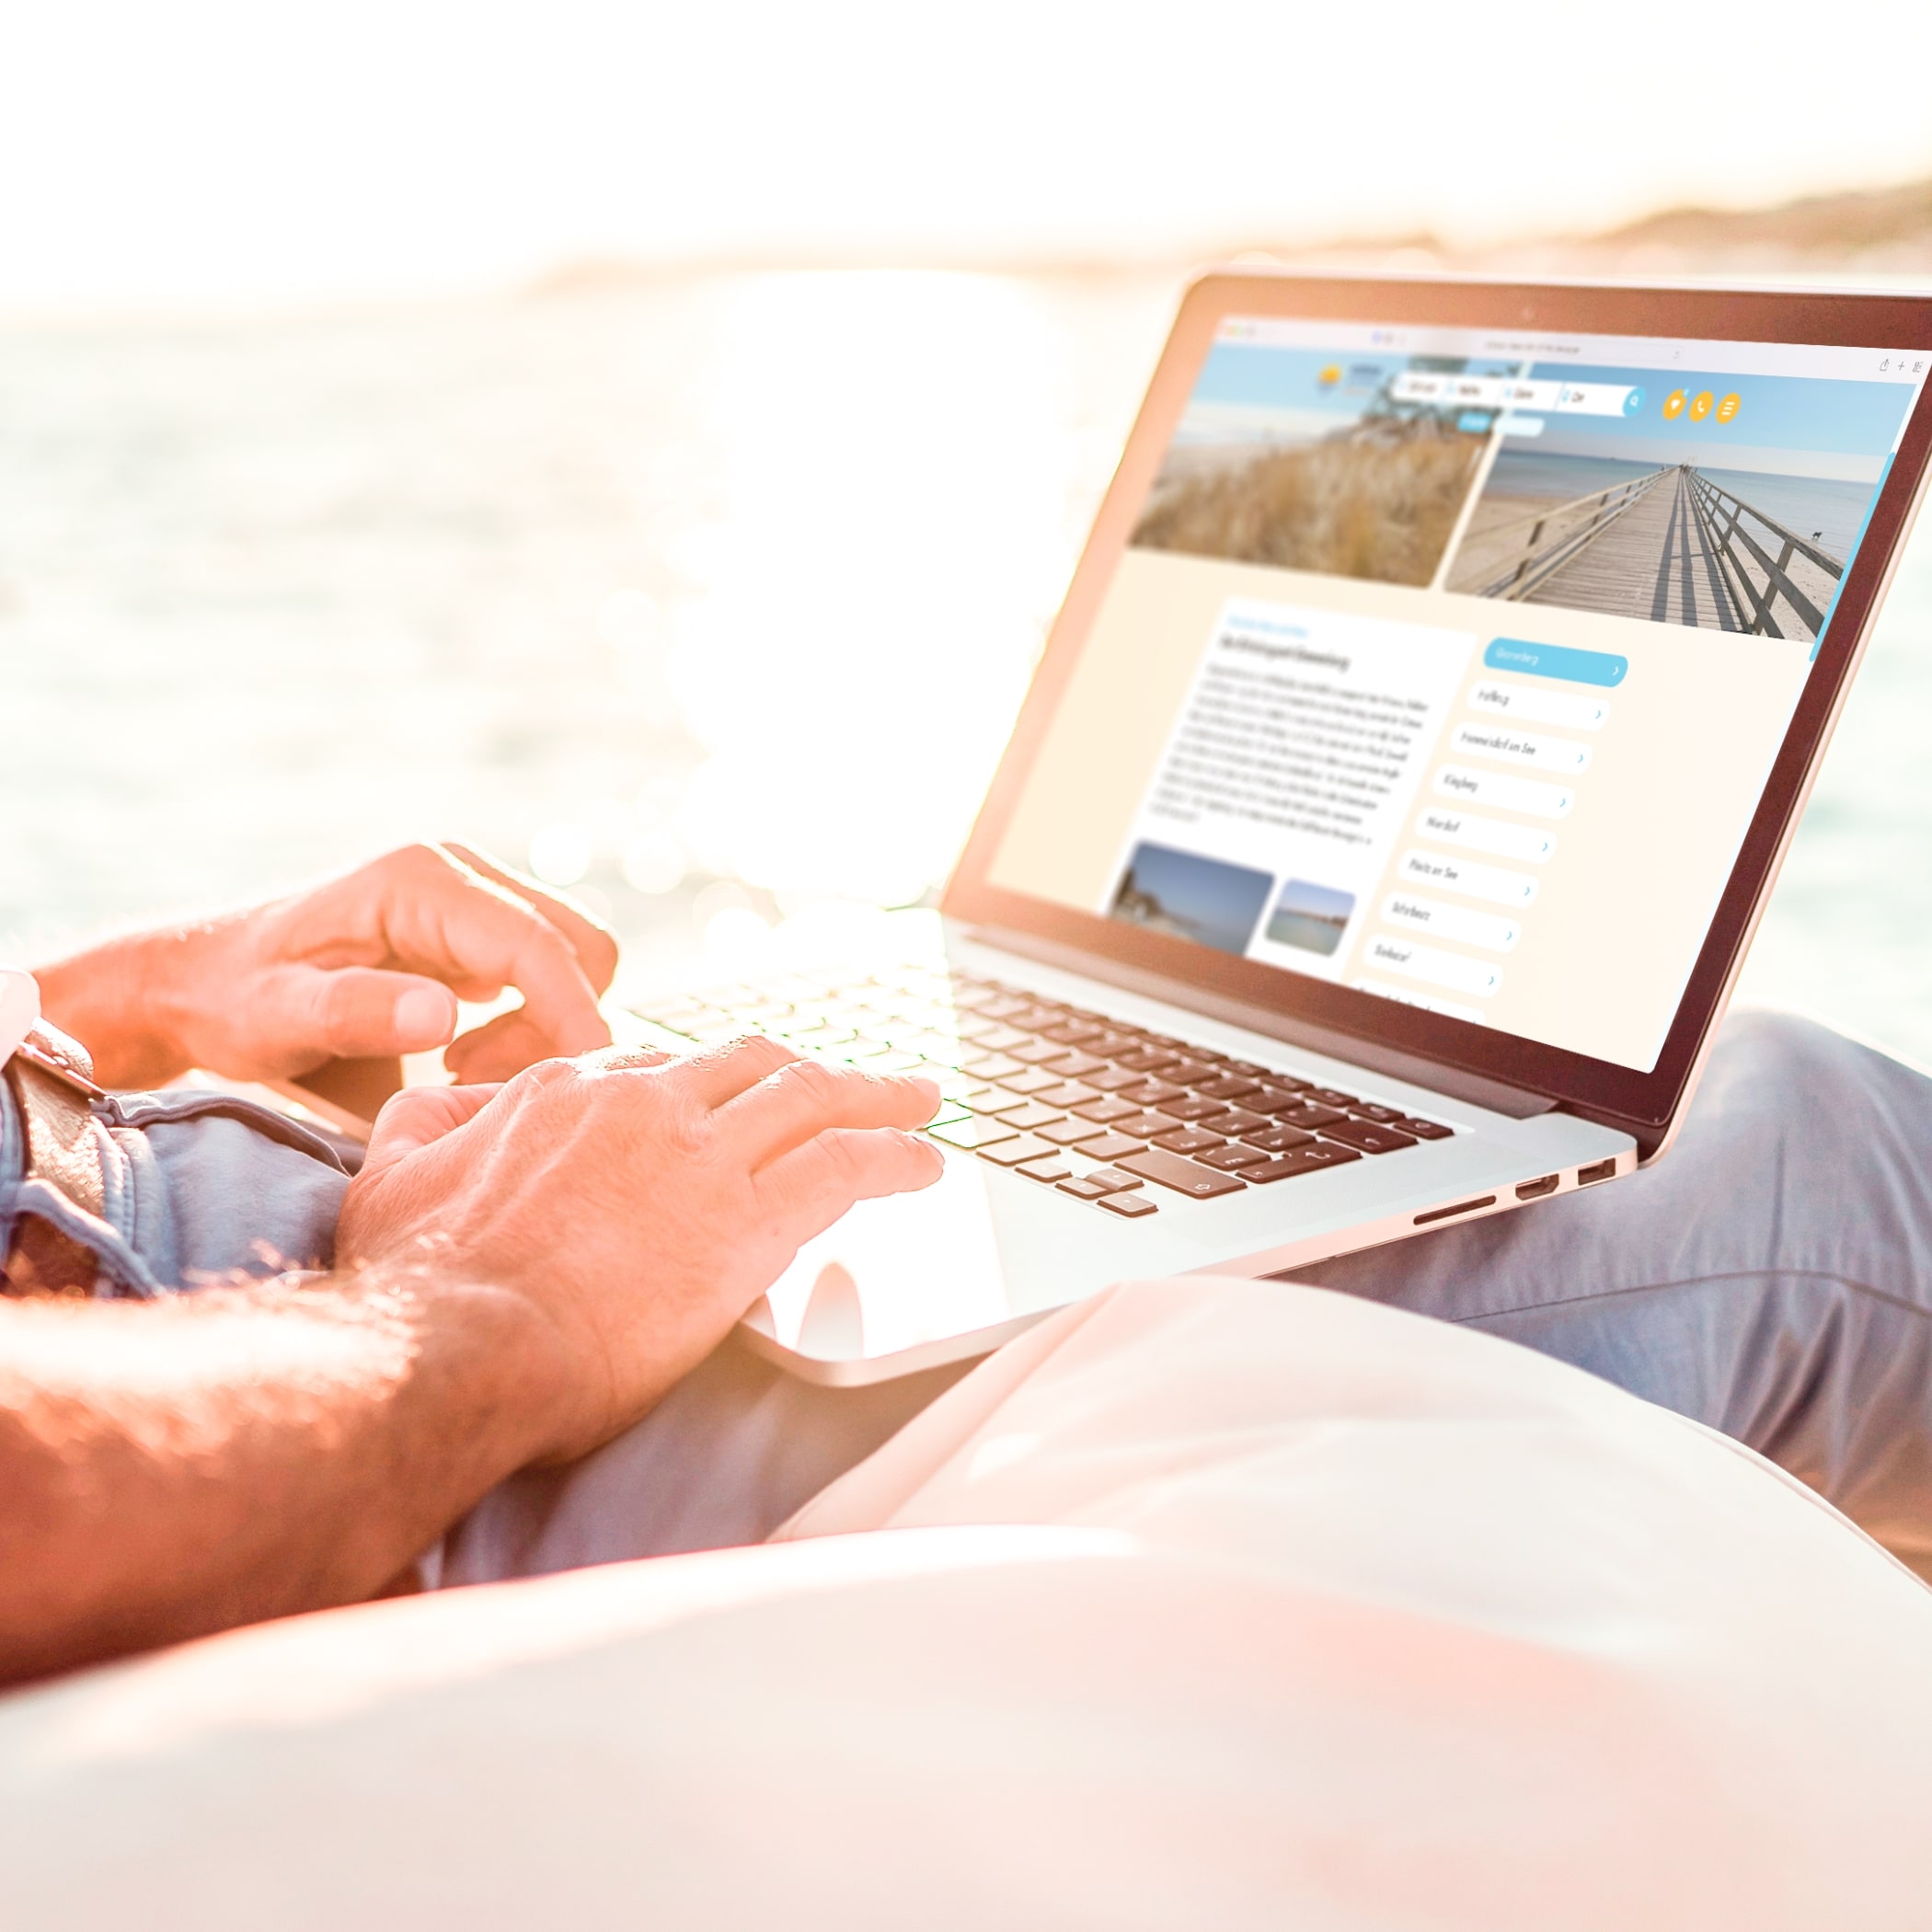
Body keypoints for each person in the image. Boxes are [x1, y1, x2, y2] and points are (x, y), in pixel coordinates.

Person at [2, 842, 1929, 1689]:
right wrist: (504, 1306)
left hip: (206, 1248)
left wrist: (119, 1003)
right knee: (1795, 1166)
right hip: (301, 1404)